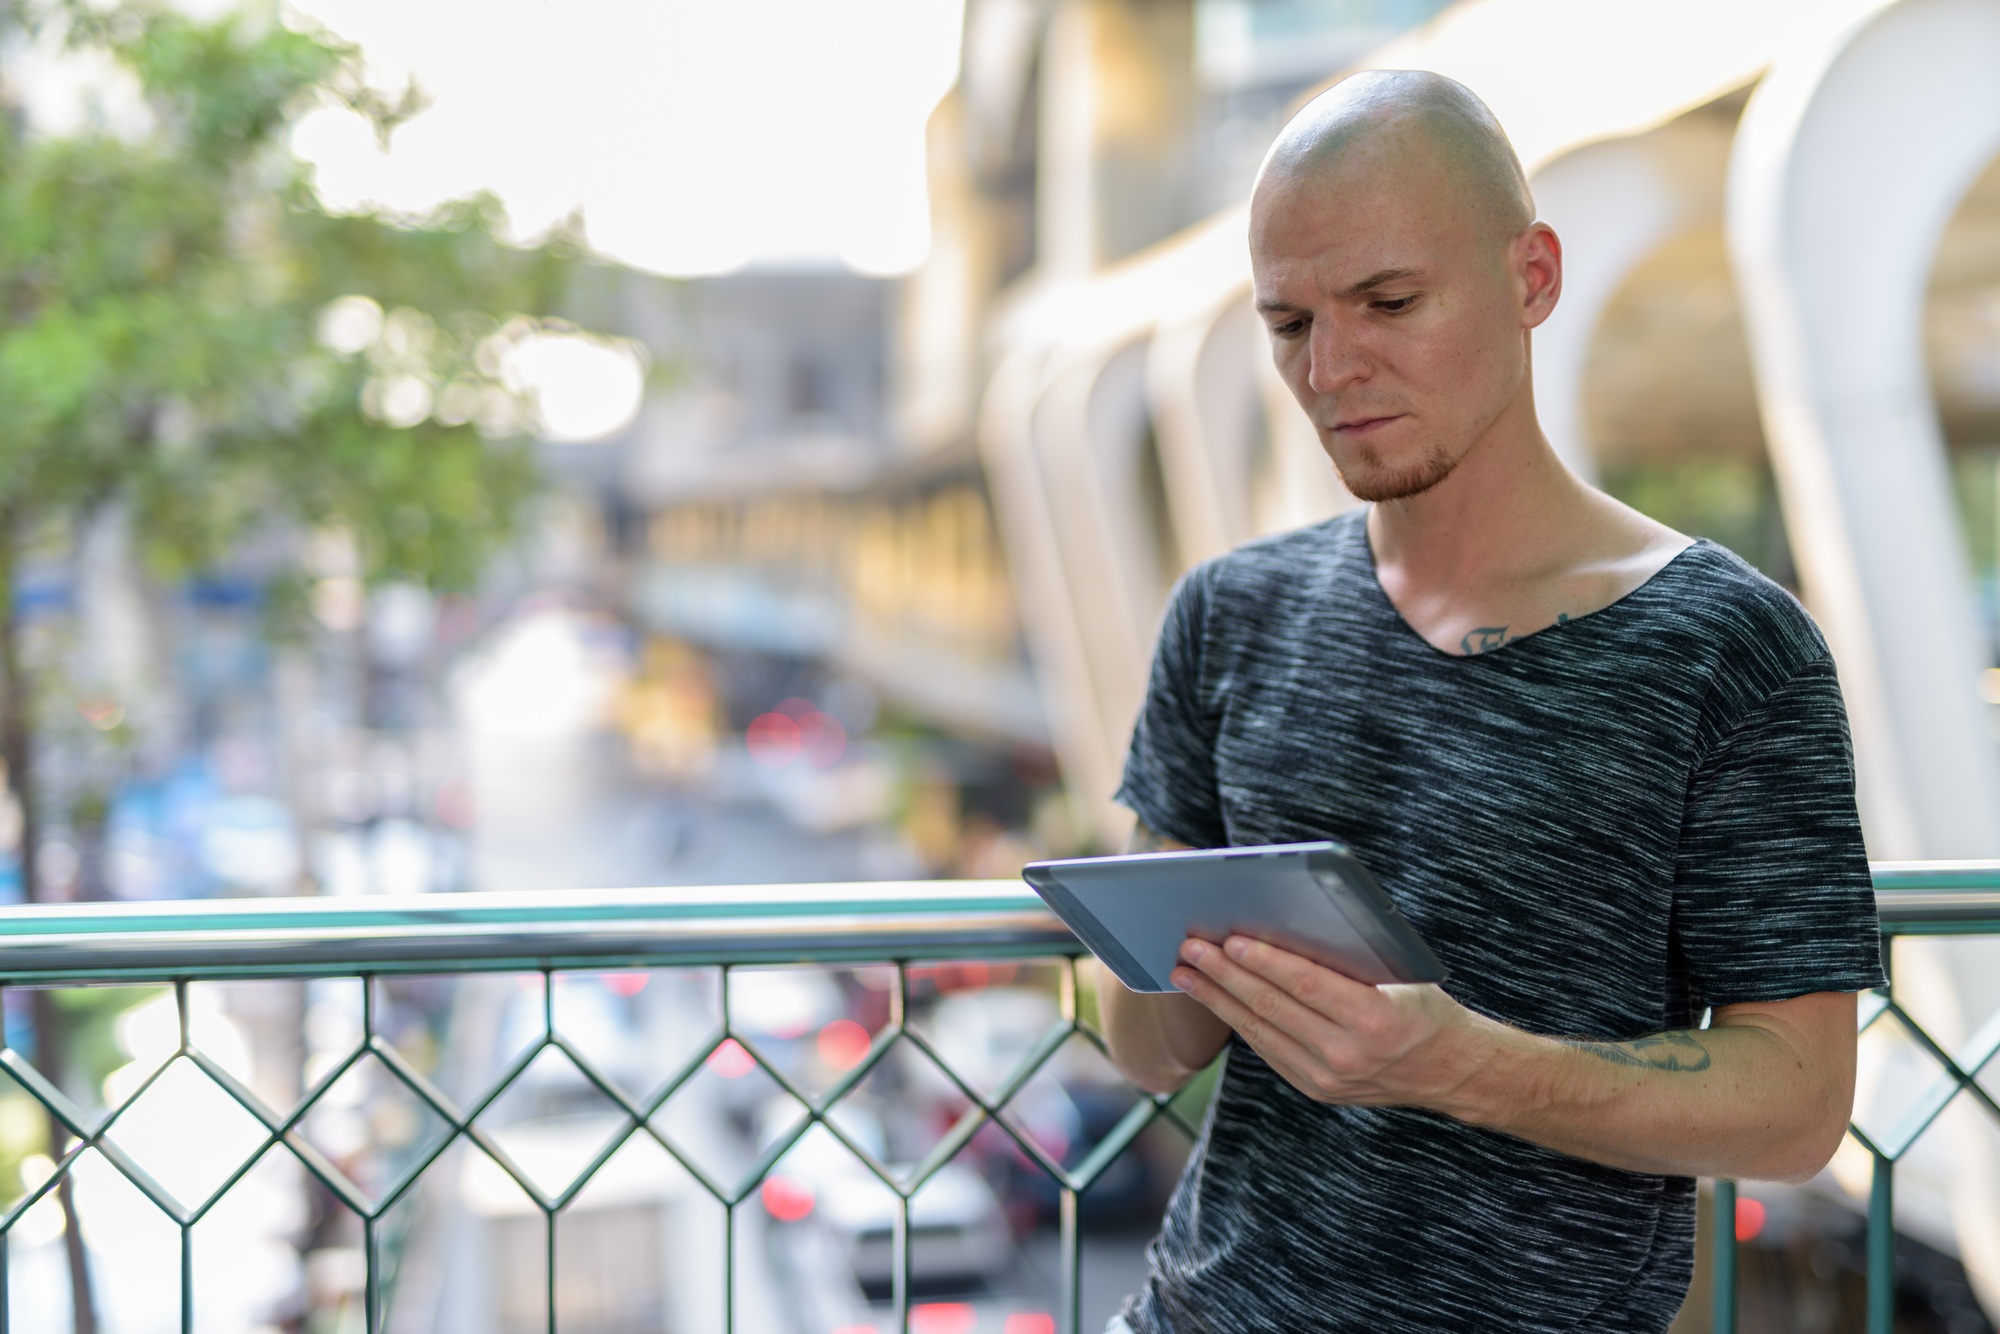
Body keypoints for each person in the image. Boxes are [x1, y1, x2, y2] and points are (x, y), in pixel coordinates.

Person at [1097, 69, 1884, 1334]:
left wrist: (1456, 1062)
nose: (1331, 368)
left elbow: (1795, 1102)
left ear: (1531, 277)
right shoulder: (1226, 612)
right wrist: (1180, 954)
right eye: (1288, 323)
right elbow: (1145, 1047)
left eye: (1387, 301)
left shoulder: (1729, 647)